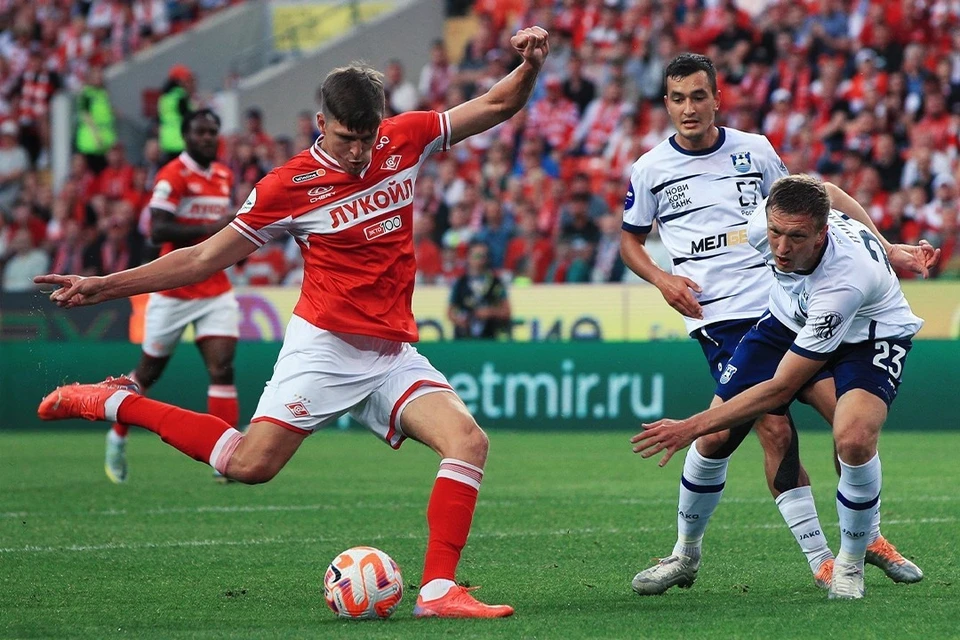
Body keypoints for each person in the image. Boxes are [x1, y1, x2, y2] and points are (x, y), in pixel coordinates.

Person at [35, 26, 550, 619]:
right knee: (247, 467)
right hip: (324, 348)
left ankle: (437, 591)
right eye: (347, 138)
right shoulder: (286, 187)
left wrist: (530, 65)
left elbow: (497, 103)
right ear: (321, 122)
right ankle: (115, 403)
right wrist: (105, 285)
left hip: (390, 354)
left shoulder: (404, 139)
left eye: (368, 137)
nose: (359, 151)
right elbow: (202, 256)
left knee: (468, 441)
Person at [621, 54, 931, 596]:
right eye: (677, 98)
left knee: (849, 428)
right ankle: (700, 554)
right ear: (666, 103)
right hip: (721, 314)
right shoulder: (649, 169)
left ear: (717, 98)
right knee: (761, 428)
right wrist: (662, 279)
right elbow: (629, 241)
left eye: (698, 96)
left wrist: (886, 247)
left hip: (790, 301)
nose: (689, 108)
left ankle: (863, 541)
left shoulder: (757, 151)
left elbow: (815, 201)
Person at [103, 108, 237, 484]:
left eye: (214, 131)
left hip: (215, 288)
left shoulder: (225, 174)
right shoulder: (172, 175)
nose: (209, 137)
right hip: (174, 289)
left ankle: (223, 459)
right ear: (187, 136)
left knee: (222, 368)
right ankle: (116, 436)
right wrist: (211, 227)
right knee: (148, 373)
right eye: (202, 132)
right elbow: (157, 230)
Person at [448, 241, 512, 340]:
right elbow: (450, 311)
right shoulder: (460, 283)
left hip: (489, 337)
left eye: (484, 256)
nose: (480, 260)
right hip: (464, 338)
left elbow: (506, 311)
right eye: (477, 256)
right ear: (468, 257)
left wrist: (490, 312)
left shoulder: (495, 282)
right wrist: (460, 320)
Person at [157, 64, 196, 163]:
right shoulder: (180, 96)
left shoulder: (164, 97)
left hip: (166, 141)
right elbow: (189, 117)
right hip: (180, 141)